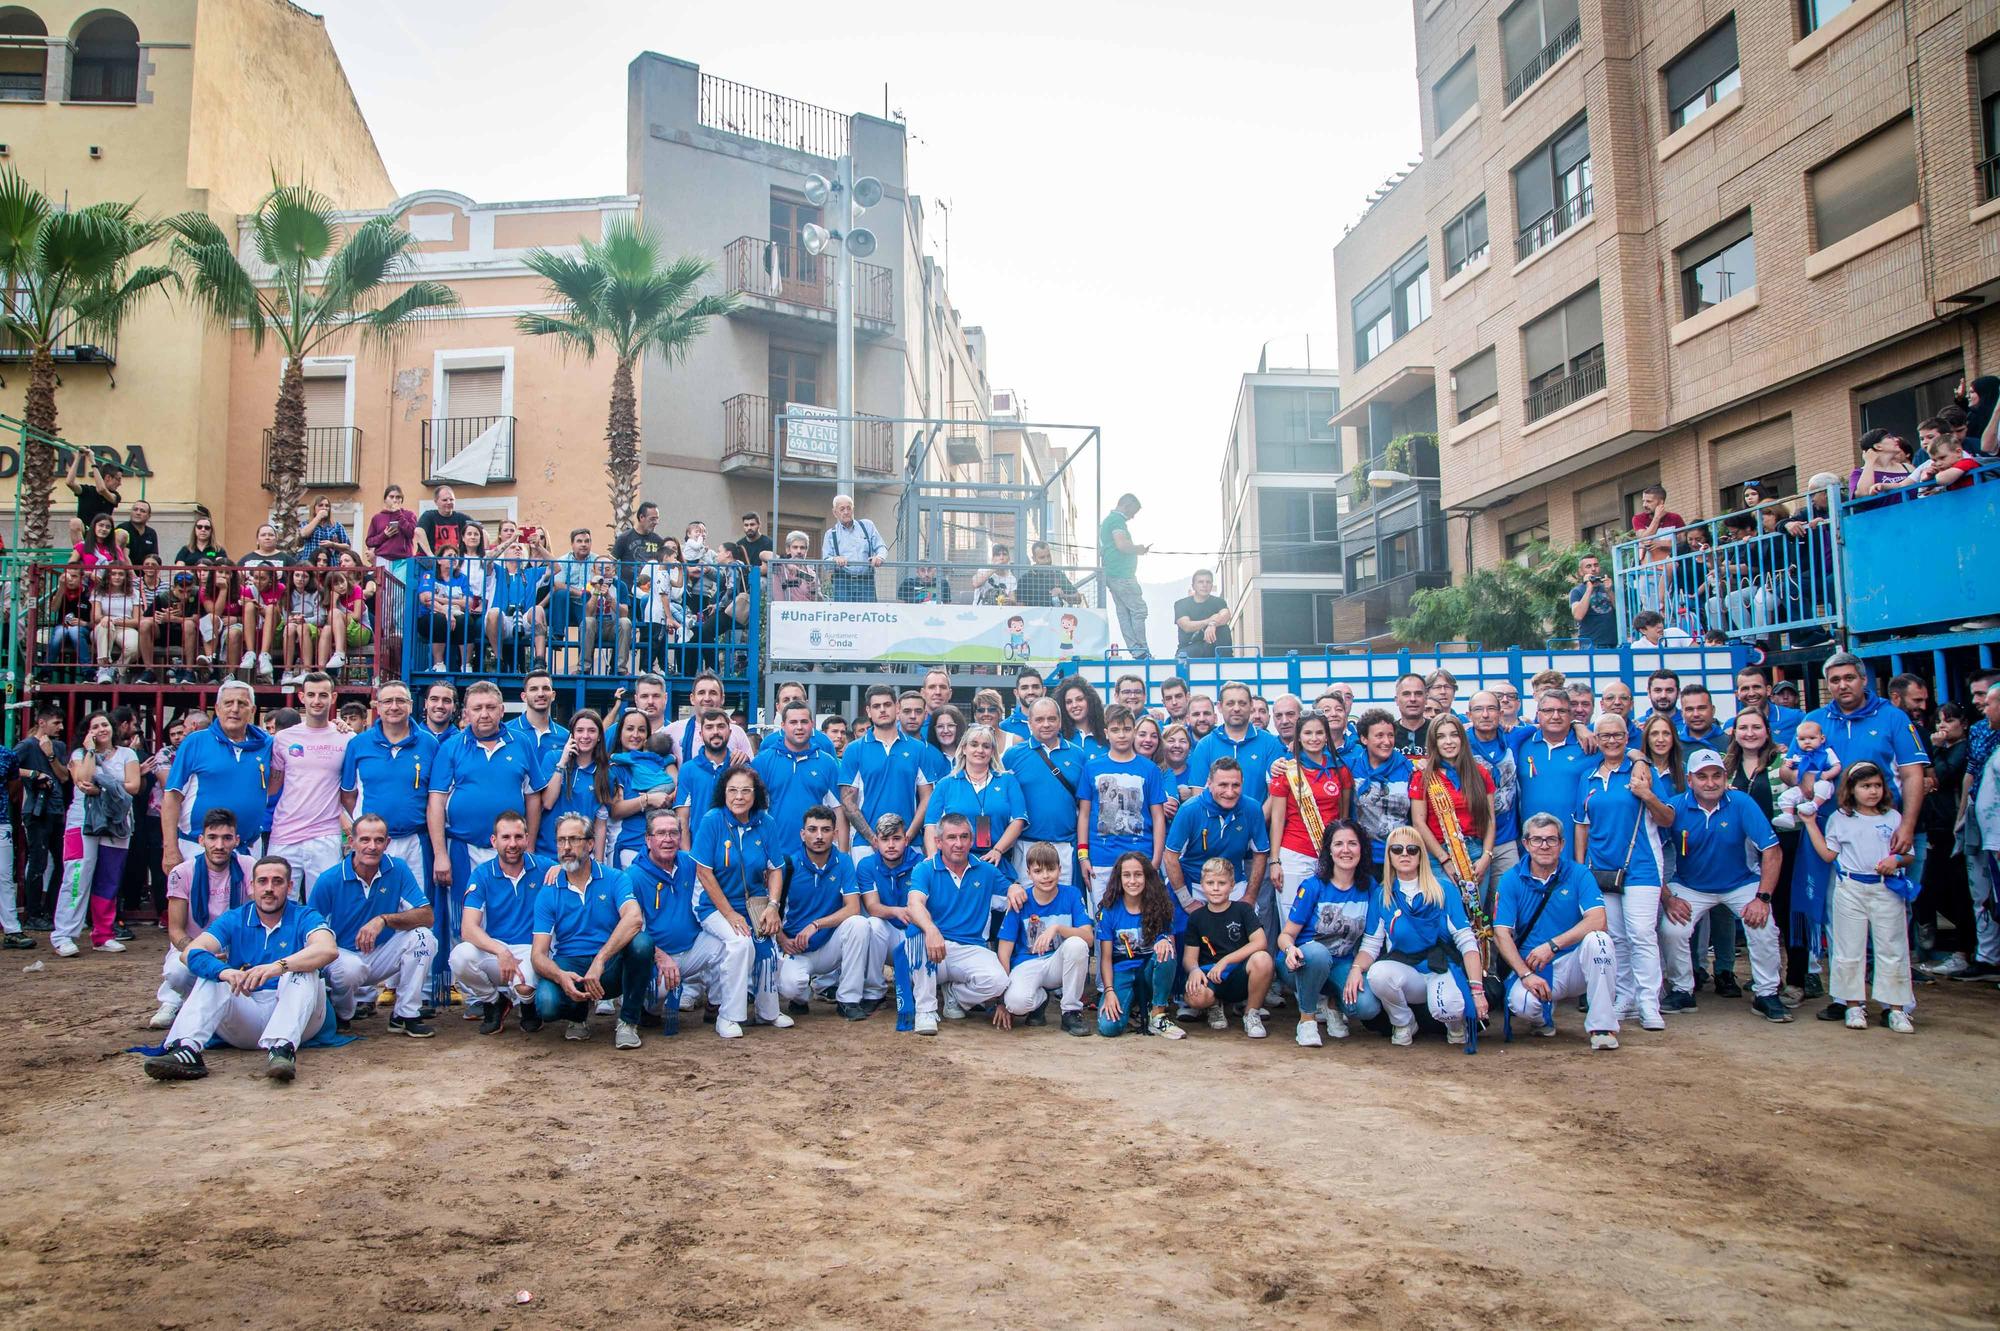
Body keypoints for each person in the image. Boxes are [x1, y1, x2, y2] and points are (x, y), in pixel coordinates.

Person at [141, 855, 337, 1085]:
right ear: (251, 886)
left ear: (290, 886)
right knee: (212, 975)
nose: (269, 889)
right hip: (246, 1011)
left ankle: (282, 1049)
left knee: (304, 971)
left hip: (298, 1019)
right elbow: (190, 952)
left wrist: (279, 966)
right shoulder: (235, 918)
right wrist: (224, 972)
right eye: (262, 881)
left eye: (277, 881)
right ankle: (186, 1048)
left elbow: (328, 949)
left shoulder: (305, 915)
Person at [1656, 749, 1793, 1024]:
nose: (1710, 783)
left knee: (1763, 926)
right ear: (1690, 779)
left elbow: (1772, 850)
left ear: (1725, 776)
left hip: (1741, 881)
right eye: (1702, 776)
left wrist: (1762, 898)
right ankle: (1683, 989)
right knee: (1672, 928)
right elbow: (1650, 854)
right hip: (1690, 885)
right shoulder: (1674, 807)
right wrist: (1668, 898)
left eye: (1716, 775)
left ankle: (1766, 993)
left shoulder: (1741, 802)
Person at [1345, 828, 1489, 1047]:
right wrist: (1356, 970)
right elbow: (1371, 944)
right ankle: (1403, 1022)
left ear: (1421, 854)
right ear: (1389, 856)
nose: (1405, 854)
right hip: (1407, 971)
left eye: (1412, 849)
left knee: (1448, 1007)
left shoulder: (1444, 890)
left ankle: (1455, 1024)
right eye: (1397, 849)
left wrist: (1477, 990)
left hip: (1441, 968)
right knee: (1378, 974)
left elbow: (1466, 940)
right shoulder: (1382, 895)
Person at [1800, 763, 1916, 1033]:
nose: (1872, 791)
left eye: (1877, 785)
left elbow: (1908, 854)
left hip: (1886, 887)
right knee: (1848, 948)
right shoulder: (1840, 819)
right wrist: (1809, 824)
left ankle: (1896, 1007)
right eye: (1865, 786)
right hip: (1850, 887)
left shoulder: (1892, 818)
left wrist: (1896, 859)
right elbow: (1829, 854)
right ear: (1851, 790)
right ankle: (1853, 1004)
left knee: (1892, 946)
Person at [1574, 713, 1673, 1028]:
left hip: (1641, 867)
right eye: (1605, 736)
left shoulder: (1643, 772)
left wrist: (1647, 794)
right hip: (1601, 868)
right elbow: (1581, 826)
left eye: (1618, 735)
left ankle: (1649, 1002)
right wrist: (1580, 869)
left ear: (1626, 737)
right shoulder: (1588, 777)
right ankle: (1625, 997)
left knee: (1642, 934)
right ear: (1598, 740)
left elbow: (1668, 818)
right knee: (1615, 937)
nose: (1612, 741)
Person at [1493, 812, 1620, 1050]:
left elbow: (1598, 920)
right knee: (1522, 1005)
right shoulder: (1511, 879)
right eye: (1537, 840)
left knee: (1600, 940)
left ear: (1562, 844)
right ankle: (1542, 1020)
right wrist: (1524, 973)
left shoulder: (1579, 873)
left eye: (1551, 840)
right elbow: (1501, 933)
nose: (1544, 846)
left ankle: (1602, 1026)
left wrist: (1554, 944)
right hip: (1533, 966)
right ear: (1525, 844)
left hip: (1574, 962)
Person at [307, 814, 437, 1037]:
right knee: (350, 968)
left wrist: (384, 919)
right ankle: (341, 1014)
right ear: (352, 841)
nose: (372, 847)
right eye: (365, 840)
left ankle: (405, 1014)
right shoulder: (329, 879)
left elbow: (427, 915)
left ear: (387, 843)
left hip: (381, 953)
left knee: (424, 937)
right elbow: (309, 929)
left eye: (378, 840)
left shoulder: (398, 869)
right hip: (343, 955)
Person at [531, 813, 653, 1048]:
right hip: (571, 966)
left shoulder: (615, 878)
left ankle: (628, 1021)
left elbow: (634, 918)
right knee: (546, 1004)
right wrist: (560, 976)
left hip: (609, 966)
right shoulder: (548, 891)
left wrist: (600, 960)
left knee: (642, 944)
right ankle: (577, 1018)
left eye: (574, 839)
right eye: (561, 840)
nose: (566, 847)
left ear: (590, 844)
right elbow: (537, 955)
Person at [427, 681, 542, 913]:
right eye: (477, 708)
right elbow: (436, 804)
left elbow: (533, 798)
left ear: (501, 710)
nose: (484, 714)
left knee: (508, 913)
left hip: (509, 848)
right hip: (463, 848)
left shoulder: (522, 743)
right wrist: (440, 855)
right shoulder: (451, 747)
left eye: (490, 707)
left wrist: (528, 846)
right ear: (466, 713)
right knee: (463, 917)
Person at [690, 767, 785, 1037]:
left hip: (754, 903)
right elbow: (704, 872)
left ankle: (769, 1012)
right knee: (740, 942)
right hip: (714, 906)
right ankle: (729, 1016)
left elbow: (776, 868)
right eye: (733, 790)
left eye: (746, 790)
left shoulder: (766, 822)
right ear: (723, 793)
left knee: (766, 946)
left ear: (756, 795)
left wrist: (773, 906)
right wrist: (730, 914)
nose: (739, 796)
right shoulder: (712, 820)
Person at [904, 813, 1013, 1035]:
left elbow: (1010, 889)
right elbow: (914, 904)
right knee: (918, 936)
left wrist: (1015, 889)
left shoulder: (986, 870)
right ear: (938, 842)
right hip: (935, 947)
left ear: (971, 840)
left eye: (964, 837)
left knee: (998, 981)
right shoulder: (924, 869)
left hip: (970, 947)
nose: (959, 844)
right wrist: (931, 929)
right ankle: (926, 1010)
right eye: (952, 837)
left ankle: (956, 995)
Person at [1275, 819, 1381, 1045]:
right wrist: (1290, 949)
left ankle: (1333, 1004)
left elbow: (1370, 939)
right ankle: (1307, 1020)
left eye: (1352, 844)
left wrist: (1356, 970)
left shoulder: (1370, 887)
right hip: (1301, 963)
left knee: (1367, 1007)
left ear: (1362, 848)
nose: (1346, 850)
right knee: (1317, 953)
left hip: (1342, 963)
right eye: (1339, 844)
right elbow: (1285, 935)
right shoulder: (1313, 886)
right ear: (1329, 851)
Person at [150, 809, 257, 1028]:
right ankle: (175, 1000)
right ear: (201, 840)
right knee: (177, 972)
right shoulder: (182, 872)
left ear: (236, 841)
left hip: (236, 949)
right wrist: (201, 953)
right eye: (212, 838)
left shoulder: (248, 865)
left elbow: (261, 909)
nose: (219, 845)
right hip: (196, 947)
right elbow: (176, 931)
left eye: (227, 838)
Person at [449, 811, 550, 1035]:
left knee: (524, 987)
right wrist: (501, 951)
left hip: (531, 949)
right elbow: (468, 928)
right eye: (505, 837)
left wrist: (559, 868)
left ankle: (528, 1007)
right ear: (494, 841)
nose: (512, 844)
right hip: (496, 950)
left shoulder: (545, 868)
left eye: (518, 837)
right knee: (459, 956)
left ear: (526, 838)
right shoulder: (482, 874)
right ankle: (494, 1001)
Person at [765, 806, 871, 1020]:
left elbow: (853, 907)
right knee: (791, 987)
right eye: (812, 830)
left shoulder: (844, 862)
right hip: (795, 947)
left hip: (829, 945)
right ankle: (800, 996)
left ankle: (848, 1000)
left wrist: (816, 924)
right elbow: (768, 910)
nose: (819, 836)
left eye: (826, 830)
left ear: (836, 833)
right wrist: (782, 938)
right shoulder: (788, 865)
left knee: (859, 924)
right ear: (802, 834)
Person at [50, 711, 140, 957]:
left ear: (112, 728)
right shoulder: (79, 754)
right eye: (94, 726)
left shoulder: (127, 754)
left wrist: (103, 785)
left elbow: (134, 786)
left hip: (117, 823)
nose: (101, 729)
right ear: (87, 732)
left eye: (104, 724)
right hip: (82, 823)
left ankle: (103, 934)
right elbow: (82, 781)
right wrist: (90, 751)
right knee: (77, 877)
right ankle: (64, 935)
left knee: (109, 879)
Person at [162, 681, 274, 875]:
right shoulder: (195, 742)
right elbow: (172, 797)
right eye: (228, 703)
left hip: (247, 851)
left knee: (245, 906)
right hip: (197, 848)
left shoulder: (267, 745)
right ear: (217, 708)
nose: (235, 709)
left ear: (253, 710)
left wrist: (338, 727)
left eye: (242, 704)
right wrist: (170, 849)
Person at [990, 841, 1094, 1035]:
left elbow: (1088, 938)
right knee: (1016, 1004)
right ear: (1029, 873)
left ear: (1060, 870)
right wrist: (1001, 1000)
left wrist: (1057, 928)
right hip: (1027, 963)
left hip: (1058, 962)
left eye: (1051, 869)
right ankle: (1040, 1000)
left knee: (1076, 945)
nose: (1046, 876)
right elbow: (1004, 952)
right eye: (1038, 871)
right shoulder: (1021, 900)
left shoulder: (1071, 894)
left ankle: (1071, 1011)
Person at [265, 672, 352, 902]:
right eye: (311, 695)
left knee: (324, 905)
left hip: (326, 836)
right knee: (278, 902)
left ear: (333, 697)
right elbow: (273, 786)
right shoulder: (282, 738)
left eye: (323, 695)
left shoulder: (347, 738)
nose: (317, 701)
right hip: (284, 834)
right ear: (302, 697)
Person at [339, 682, 439, 874]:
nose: (394, 706)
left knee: (416, 902)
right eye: (387, 701)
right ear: (377, 705)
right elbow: (348, 795)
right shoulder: (358, 744)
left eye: (400, 701)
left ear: (410, 705)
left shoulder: (429, 744)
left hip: (415, 841)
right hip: (372, 844)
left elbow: (435, 798)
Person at [1077, 704, 1169, 899]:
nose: (1121, 735)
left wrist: (1156, 860)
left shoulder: (1149, 769)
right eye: (1115, 730)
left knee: (1141, 919)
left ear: (1134, 731)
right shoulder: (1092, 767)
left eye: (1127, 729)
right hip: (1101, 859)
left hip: (1140, 856)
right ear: (1106, 733)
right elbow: (1084, 815)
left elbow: (1158, 817)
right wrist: (1083, 856)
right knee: (1103, 919)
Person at [1266, 713, 1352, 917]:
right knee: (1292, 916)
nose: (1314, 738)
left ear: (1326, 736)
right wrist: (1275, 861)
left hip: (1330, 854)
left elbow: (1344, 816)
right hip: (1295, 854)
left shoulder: (1340, 770)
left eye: (1319, 733)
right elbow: (1277, 820)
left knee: (1328, 915)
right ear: (1298, 737)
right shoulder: (1286, 771)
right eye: (1308, 733)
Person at [1176, 857, 1273, 1037]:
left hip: (1238, 974)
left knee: (1263, 958)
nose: (1215, 888)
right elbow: (1189, 958)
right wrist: (1195, 970)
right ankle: (1213, 1005)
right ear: (1202, 885)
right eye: (1210, 883)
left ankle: (1251, 1013)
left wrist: (1226, 960)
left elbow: (1260, 942)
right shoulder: (1196, 917)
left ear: (1232, 885)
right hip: (1210, 975)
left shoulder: (1243, 910)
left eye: (1221, 883)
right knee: (1194, 994)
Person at [1408, 716, 1497, 908]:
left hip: (1475, 853)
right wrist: (1444, 859)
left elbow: (1490, 819)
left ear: (1462, 739)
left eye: (1454, 735)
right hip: (1438, 855)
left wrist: (1486, 857)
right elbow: (1418, 822)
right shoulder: (1422, 776)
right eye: (1441, 737)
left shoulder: (1480, 773)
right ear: (1433, 742)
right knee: (1447, 917)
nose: (1448, 742)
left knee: (1476, 917)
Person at [1094, 852, 1186, 1038]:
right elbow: (1105, 959)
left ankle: (1158, 1014)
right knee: (1108, 1028)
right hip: (1122, 972)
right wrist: (1109, 991)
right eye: (1126, 875)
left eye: (1138, 874)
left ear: (1147, 877)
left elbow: (1170, 946)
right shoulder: (1110, 910)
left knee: (1167, 948)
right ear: (1119, 879)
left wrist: (1163, 940)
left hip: (1148, 970)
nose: (1132, 881)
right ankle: (1133, 1005)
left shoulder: (1160, 905)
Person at [999, 697, 1085, 887]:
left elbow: (1085, 805)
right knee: (1027, 910)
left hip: (1064, 846)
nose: (1046, 724)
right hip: (1026, 846)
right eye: (1039, 719)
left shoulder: (1078, 754)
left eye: (1051, 719)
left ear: (1060, 721)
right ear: (1030, 723)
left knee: (1064, 910)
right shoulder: (1013, 755)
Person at [751, 700, 845, 866]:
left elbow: (839, 811)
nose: (799, 727)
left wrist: (843, 858)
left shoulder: (827, 762)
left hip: (818, 856)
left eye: (804, 722)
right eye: (793, 722)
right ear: (783, 726)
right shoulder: (763, 761)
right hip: (774, 856)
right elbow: (752, 811)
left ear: (812, 725)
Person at [1512, 690, 1593, 846]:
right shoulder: (1521, 744)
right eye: (1548, 710)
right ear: (1538, 714)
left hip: (1574, 841)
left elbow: (1616, 752)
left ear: (1571, 715)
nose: (1555, 716)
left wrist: (1638, 759)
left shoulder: (1588, 745)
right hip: (1531, 843)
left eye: (1562, 711)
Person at [1187, 681, 1286, 799]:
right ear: (1219, 706)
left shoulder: (1270, 743)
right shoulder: (1205, 745)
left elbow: (1276, 793)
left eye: (1242, 703)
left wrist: (1257, 817)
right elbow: (1197, 794)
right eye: (1230, 703)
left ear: (1251, 706)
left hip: (1260, 817)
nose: (1237, 708)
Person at [1349, 709, 1415, 880]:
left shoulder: (1409, 769)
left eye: (1390, 735)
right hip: (1362, 858)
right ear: (1364, 739)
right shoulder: (1351, 767)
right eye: (1379, 736)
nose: (1386, 741)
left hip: (1400, 855)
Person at [540, 708, 613, 862]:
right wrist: (562, 763)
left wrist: (599, 863)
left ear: (599, 736)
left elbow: (600, 823)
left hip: (580, 857)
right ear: (572, 734)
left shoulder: (605, 773)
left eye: (592, 731)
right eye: (580, 730)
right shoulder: (553, 758)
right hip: (548, 853)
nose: (585, 736)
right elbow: (547, 802)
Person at [608, 710, 676, 867]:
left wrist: (668, 797)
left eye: (641, 730)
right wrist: (648, 799)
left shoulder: (660, 761)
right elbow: (615, 810)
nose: (635, 734)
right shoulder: (615, 768)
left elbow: (676, 788)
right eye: (630, 728)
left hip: (662, 849)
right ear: (620, 733)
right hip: (630, 847)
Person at [1099, 492, 1150, 656]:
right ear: (1126, 506)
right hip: (1122, 574)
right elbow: (1121, 544)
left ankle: (1135, 649)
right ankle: (1141, 648)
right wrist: (1139, 549)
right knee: (1139, 610)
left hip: (1113, 573)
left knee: (1124, 611)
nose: (1133, 517)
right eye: (1133, 512)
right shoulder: (1116, 520)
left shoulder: (1108, 521)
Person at [1773, 719, 1842, 830]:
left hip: (1821, 779)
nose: (1807, 742)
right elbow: (1789, 768)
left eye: (1812, 738)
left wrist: (1827, 774)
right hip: (1801, 785)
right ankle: (1787, 816)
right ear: (1797, 740)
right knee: (1786, 796)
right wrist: (1789, 763)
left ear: (1822, 739)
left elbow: (1837, 766)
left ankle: (1813, 805)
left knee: (1824, 787)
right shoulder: (1797, 754)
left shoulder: (1826, 751)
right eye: (1802, 739)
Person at [822, 494, 886, 602]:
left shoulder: (867, 526)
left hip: (866, 580)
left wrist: (880, 557)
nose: (846, 512)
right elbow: (825, 563)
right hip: (843, 583)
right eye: (842, 509)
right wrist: (835, 559)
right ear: (835, 513)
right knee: (844, 615)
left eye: (849, 508)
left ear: (853, 509)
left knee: (869, 615)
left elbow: (881, 546)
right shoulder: (830, 534)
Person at [1173, 568, 1233, 658]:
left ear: (1212, 585)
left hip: (1212, 646)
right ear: (1193, 586)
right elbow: (1186, 626)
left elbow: (1226, 615)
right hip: (1189, 648)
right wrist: (1208, 621)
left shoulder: (1219, 602)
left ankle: (1226, 661)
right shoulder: (1181, 604)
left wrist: (1213, 624)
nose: (1205, 585)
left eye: (1208, 582)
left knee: (1223, 629)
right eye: (1201, 582)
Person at [1848, 428, 1917, 497]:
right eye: (1889, 437)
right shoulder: (1858, 473)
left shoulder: (1908, 467)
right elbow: (1864, 493)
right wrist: (1869, 462)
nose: (1896, 439)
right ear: (1878, 446)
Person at [1016, 540, 1083, 607]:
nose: (1047, 560)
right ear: (1034, 559)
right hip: (1034, 617)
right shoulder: (1025, 579)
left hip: (1056, 616)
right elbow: (1020, 608)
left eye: (1048, 556)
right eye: (1042, 558)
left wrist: (1062, 595)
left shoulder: (1058, 575)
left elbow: (1078, 599)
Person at [414, 486, 470, 557]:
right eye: (445, 500)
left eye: (451, 500)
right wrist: (431, 556)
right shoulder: (428, 516)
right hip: (430, 564)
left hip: (454, 563)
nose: (449, 502)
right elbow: (419, 531)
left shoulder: (462, 518)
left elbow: (481, 530)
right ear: (436, 502)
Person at [613, 501, 668, 568]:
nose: (656, 522)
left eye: (657, 519)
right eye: (652, 519)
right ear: (641, 517)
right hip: (628, 579)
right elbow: (612, 561)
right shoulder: (624, 538)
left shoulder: (658, 540)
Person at [1675, 684, 1727, 750]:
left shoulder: (1731, 743)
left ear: (1713, 710)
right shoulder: (1674, 746)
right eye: (1690, 709)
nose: (1696, 714)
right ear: (1682, 714)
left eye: (1701, 708)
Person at [970, 541, 1018, 606]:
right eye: (998, 555)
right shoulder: (983, 570)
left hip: (1000, 612)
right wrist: (995, 568)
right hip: (979, 611)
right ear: (992, 559)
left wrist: (1010, 602)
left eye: (1004, 554)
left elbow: (1013, 600)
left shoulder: (1011, 578)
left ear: (1008, 558)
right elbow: (975, 584)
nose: (1001, 558)